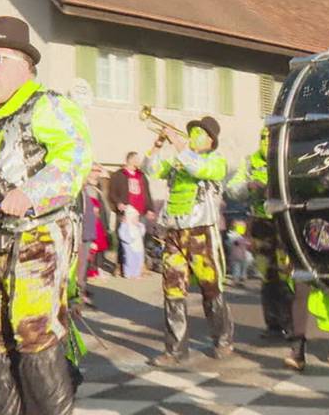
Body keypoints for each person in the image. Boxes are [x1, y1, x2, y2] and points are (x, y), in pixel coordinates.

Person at [0, 16, 91, 414]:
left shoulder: (47, 105)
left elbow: (74, 160)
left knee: (32, 331)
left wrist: (31, 192)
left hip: (35, 237)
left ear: (26, 65)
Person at [145, 116, 233, 367]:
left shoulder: (216, 161)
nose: (192, 136)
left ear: (211, 140)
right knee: (172, 290)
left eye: (199, 133)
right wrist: (158, 144)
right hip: (173, 232)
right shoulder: (179, 161)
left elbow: (198, 169)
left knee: (211, 287)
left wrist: (179, 146)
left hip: (201, 232)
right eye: (191, 131)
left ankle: (223, 339)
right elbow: (149, 169)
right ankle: (175, 350)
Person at [226, 127, 293, 338]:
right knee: (267, 277)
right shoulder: (250, 162)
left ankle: (291, 326)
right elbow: (232, 188)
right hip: (261, 225)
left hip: (285, 223)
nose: (267, 142)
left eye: (270, 138)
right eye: (264, 138)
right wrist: (248, 185)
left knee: (287, 276)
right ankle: (273, 325)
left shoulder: (287, 158)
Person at [109, 151, 155, 276]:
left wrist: (150, 209)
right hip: (126, 211)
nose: (138, 161)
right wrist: (118, 204)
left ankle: (140, 265)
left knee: (140, 239)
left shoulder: (141, 176)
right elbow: (112, 193)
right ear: (129, 160)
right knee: (124, 239)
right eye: (136, 159)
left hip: (140, 212)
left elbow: (147, 193)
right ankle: (120, 265)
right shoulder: (119, 175)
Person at [78, 163, 108, 305]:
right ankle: (78, 295)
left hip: (88, 234)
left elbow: (94, 217)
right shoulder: (81, 193)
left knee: (84, 267)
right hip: (81, 235)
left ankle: (81, 291)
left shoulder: (88, 191)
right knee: (79, 268)